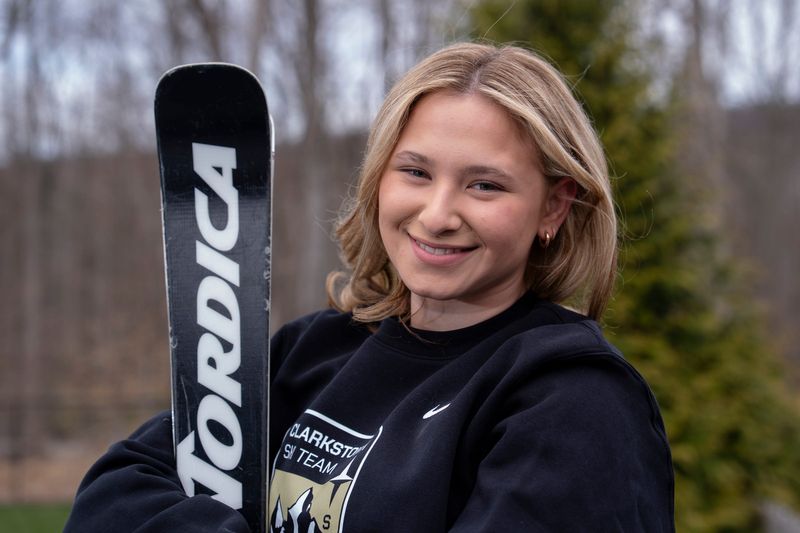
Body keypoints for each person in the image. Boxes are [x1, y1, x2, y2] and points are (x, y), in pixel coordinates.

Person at [65, 42, 674, 532]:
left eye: (484, 185)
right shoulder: (314, 351)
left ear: (553, 209)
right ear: (378, 179)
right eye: (415, 171)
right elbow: (116, 491)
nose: (437, 213)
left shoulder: (573, 402)